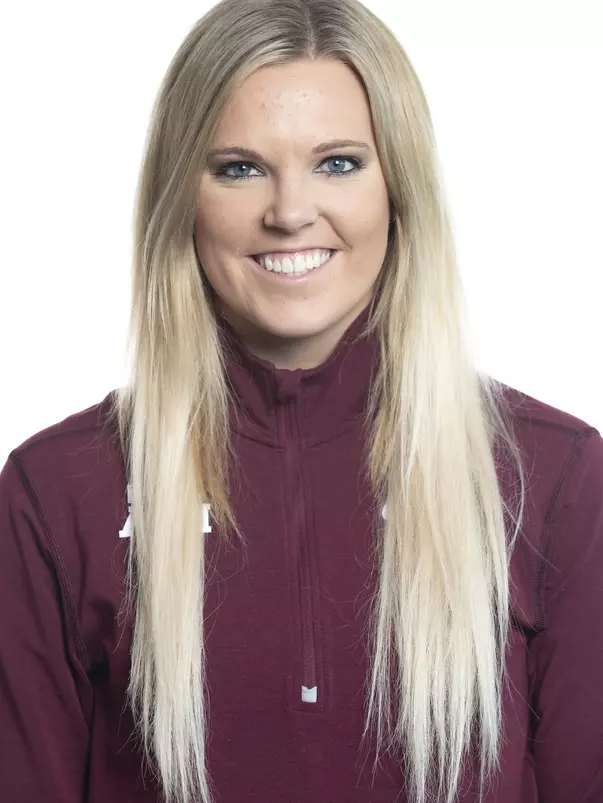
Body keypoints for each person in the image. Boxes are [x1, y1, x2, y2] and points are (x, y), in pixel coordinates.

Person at [1, 0, 602, 801]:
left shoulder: (553, 475)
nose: (288, 212)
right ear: (184, 195)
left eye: (338, 162)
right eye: (239, 167)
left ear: (399, 188)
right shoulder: (56, 490)